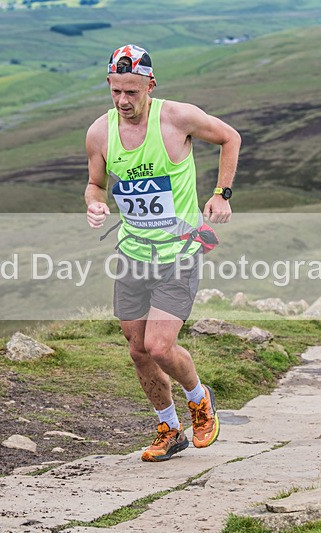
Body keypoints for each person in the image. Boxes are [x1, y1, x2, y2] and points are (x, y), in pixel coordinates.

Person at [85, 44, 241, 462]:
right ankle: (169, 429)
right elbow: (96, 184)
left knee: (158, 345)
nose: (123, 101)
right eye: (116, 91)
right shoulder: (99, 133)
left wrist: (221, 195)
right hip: (132, 255)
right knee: (137, 349)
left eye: (132, 92)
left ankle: (199, 399)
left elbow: (230, 137)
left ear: (150, 85)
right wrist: (95, 202)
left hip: (179, 251)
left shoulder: (176, 118)